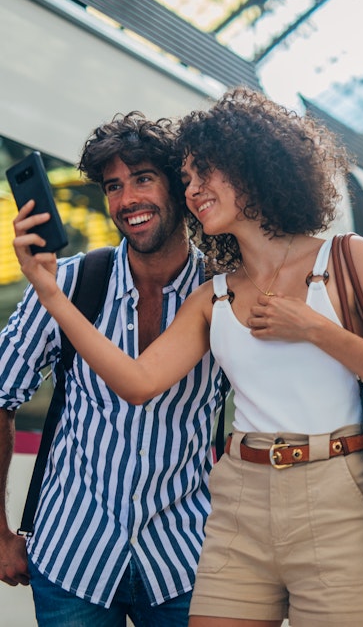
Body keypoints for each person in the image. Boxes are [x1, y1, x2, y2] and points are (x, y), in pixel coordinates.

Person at [13, 87, 363, 627]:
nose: (193, 191)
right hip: (232, 499)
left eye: (201, 175)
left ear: (251, 169)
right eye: (189, 178)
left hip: (330, 490)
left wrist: (313, 327)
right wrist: (50, 295)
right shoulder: (214, 297)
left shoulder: (348, 258)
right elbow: (140, 381)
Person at [1, 112, 225, 626]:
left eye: (143, 178)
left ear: (179, 186)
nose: (126, 201)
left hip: (185, 562)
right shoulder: (67, 283)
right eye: (113, 186)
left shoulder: (223, 296)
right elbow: (1, 392)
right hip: (71, 559)